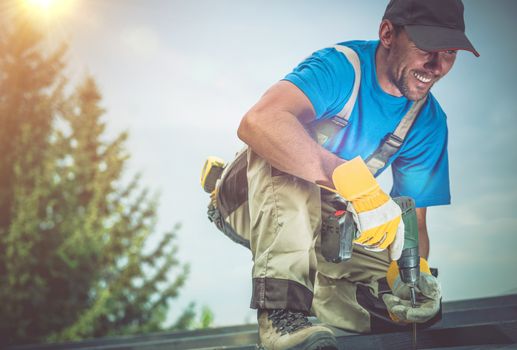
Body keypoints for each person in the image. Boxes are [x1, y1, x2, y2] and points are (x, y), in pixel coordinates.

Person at [212, 0, 478, 349]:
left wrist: (413, 276)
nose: (437, 66)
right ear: (387, 33)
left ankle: (318, 303)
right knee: (289, 144)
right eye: (427, 48)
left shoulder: (427, 122)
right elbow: (260, 122)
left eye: (449, 53)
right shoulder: (340, 68)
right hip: (246, 199)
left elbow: (414, 224)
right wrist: (354, 185)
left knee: (395, 295)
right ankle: (282, 316)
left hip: (323, 221)